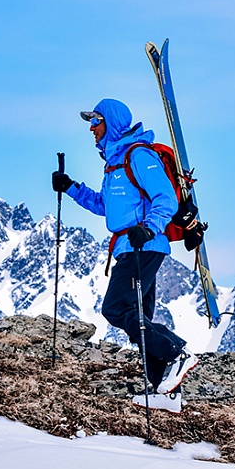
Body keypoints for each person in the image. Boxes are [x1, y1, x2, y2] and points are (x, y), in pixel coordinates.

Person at [52, 98, 197, 413]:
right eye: (90, 123)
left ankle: (175, 352)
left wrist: (149, 227)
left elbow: (166, 197)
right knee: (139, 318)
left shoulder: (138, 156)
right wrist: (71, 187)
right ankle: (165, 391)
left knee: (116, 309)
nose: (91, 129)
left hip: (143, 246)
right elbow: (105, 206)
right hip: (128, 248)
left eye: (96, 121)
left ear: (112, 123)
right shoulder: (114, 164)